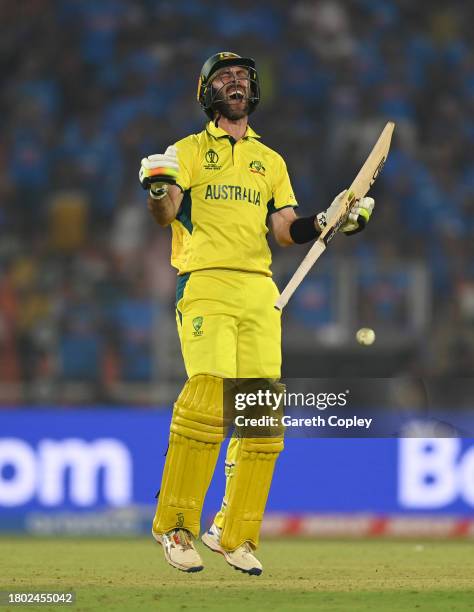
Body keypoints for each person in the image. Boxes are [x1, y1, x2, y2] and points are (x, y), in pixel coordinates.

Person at [139, 51, 375, 575]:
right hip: (205, 283)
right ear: (207, 92)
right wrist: (157, 188)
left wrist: (333, 220)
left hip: (259, 294)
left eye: (243, 76)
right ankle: (176, 526)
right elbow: (165, 212)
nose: (236, 82)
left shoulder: (271, 161)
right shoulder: (188, 150)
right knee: (206, 400)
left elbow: (287, 230)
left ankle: (234, 532)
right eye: (224, 77)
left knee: (262, 416)